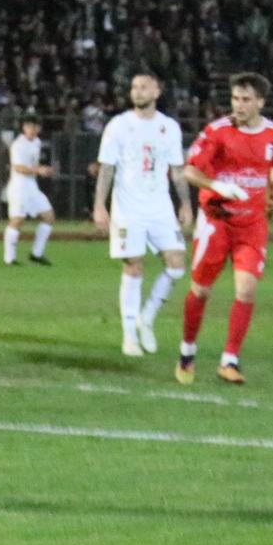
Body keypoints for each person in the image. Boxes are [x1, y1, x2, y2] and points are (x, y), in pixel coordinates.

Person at [177, 73, 273, 385]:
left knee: (247, 289)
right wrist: (218, 186)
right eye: (235, 99)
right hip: (216, 221)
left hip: (251, 226)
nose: (239, 105)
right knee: (201, 290)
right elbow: (190, 172)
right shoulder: (217, 132)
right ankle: (187, 350)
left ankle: (230, 360)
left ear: (260, 102)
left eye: (246, 100)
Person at [92, 72, 192, 357]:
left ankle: (146, 317)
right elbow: (107, 167)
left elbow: (177, 169)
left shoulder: (169, 127)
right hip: (128, 208)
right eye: (134, 87)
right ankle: (129, 336)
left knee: (176, 264)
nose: (137, 91)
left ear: (157, 91)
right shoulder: (119, 125)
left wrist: (185, 203)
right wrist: (99, 205)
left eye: (144, 87)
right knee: (134, 266)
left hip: (160, 207)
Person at [2, 115, 56, 266]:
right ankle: (9, 259)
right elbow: (18, 168)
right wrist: (38, 170)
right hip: (19, 187)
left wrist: (43, 170)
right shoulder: (18, 145)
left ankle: (36, 254)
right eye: (29, 126)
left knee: (48, 216)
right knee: (17, 220)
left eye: (35, 127)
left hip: (31, 186)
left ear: (39, 128)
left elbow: (32, 165)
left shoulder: (37, 142)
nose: (32, 130)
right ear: (24, 128)